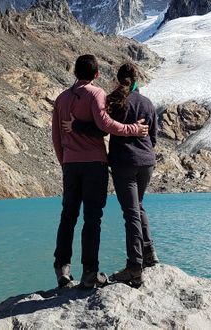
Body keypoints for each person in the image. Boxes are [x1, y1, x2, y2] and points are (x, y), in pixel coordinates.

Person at [51, 54, 150, 289]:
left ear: (75, 73)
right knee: (92, 219)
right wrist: (132, 129)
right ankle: (89, 273)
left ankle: (62, 269)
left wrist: (65, 162)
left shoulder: (61, 98)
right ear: (96, 75)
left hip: (71, 165)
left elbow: (56, 136)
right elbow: (105, 125)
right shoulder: (97, 94)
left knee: (68, 216)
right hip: (95, 164)